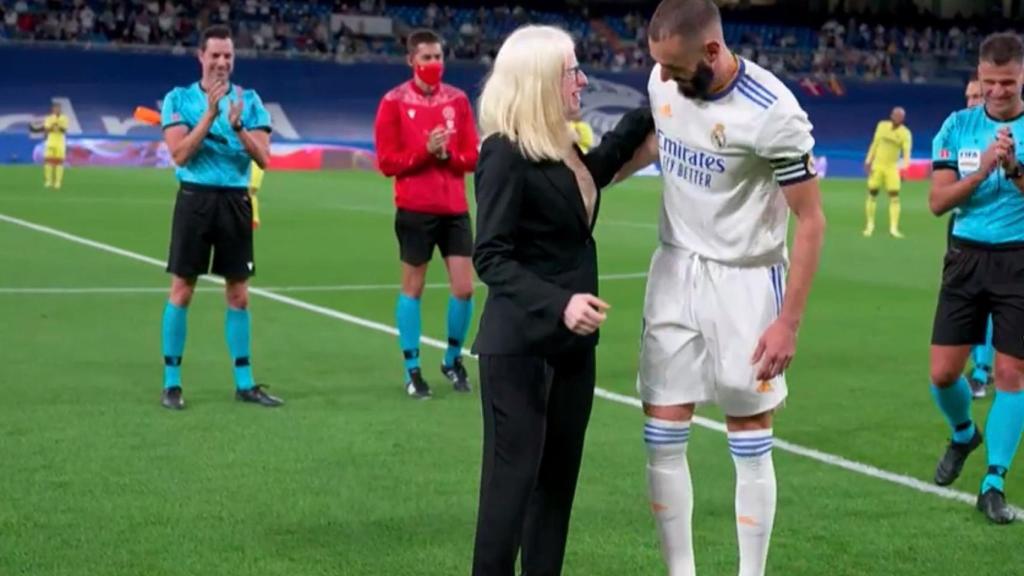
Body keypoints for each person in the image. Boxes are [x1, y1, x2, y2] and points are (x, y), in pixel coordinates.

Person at [637, 1, 826, 574]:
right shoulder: (661, 79)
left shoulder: (773, 114)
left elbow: (811, 220)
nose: (663, 77)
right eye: (659, 66)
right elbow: (655, 142)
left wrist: (787, 322)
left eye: (674, 66)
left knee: (747, 429)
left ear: (713, 52)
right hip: (674, 270)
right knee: (661, 430)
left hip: (746, 281)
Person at [470, 24, 654, 576]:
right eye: (572, 70)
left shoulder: (560, 146)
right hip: (522, 348)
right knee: (511, 489)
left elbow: (595, 174)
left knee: (556, 490)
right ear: (540, 81)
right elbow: (491, 256)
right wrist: (561, 304)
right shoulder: (503, 153)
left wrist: (657, 95)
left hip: (573, 351)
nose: (583, 80)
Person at [926, 32, 1024, 525]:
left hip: (1018, 261)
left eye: (1008, 82)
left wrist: (1016, 168)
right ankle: (964, 432)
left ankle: (994, 482)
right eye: (990, 82)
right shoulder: (958, 126)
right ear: (979, 77)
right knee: (943, 374)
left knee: (1012, 375)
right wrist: (985, 169)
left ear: (1022, 76)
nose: (999, 91)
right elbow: (939, 201)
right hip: (964, 258)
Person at [158, 24, 281, 409]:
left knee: (239, 294)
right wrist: (209, 117)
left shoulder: (251, 101)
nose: (223, 62)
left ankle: (244, 382)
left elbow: (263, 157)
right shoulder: (178, 100)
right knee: (182, 289)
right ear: (201, 57)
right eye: (215, 55)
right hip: (194, 199)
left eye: (228, 55)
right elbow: (179, 155)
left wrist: (238, 126)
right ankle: (172, 383)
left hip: (234, 202)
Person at [374, 29, 479, 398]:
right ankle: (412, 369)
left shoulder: (459, 101)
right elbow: (387, 162)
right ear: (411, 61)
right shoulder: (393, 102)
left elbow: (472, 155)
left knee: (464, 288)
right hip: (415, 209)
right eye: (427, 58)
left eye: (438, 57)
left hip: (454, 209)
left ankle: (452, 359)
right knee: (413, 288)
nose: (434, 64)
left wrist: (448, 155)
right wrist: (425, 151)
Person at [863, 106, 912, 238]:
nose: (897, 118)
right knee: (873, 192)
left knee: (894, 195)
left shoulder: (905, 133)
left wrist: (904, 168)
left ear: (903, 119)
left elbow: (906, 153)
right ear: (891, 116)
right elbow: (875, 144)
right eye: (895, 115)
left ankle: (893, 228)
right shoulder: (882, 126)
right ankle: (870, 225)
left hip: (892, 167)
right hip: (877, 165)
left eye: (900, 116)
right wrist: (868, 160)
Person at [42, 101, 69, 189]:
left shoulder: (64, 118)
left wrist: (56, 126)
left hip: (60, 142)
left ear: (60, 109)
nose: (57, 110)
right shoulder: (49, 118)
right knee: (48, 161)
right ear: (52, 109)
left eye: (58, 108)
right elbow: (46, 129)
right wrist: (54, 126)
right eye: (55, 108)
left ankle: (57, 182)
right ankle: (48, 181)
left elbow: (64, 130)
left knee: (59, 162)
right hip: (51, 141)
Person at [249, 160, 264, 229]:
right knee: (249, 193)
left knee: (250, 192)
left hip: (254, 164)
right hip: (251, 164)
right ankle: (254, 219)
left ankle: (254, 219)